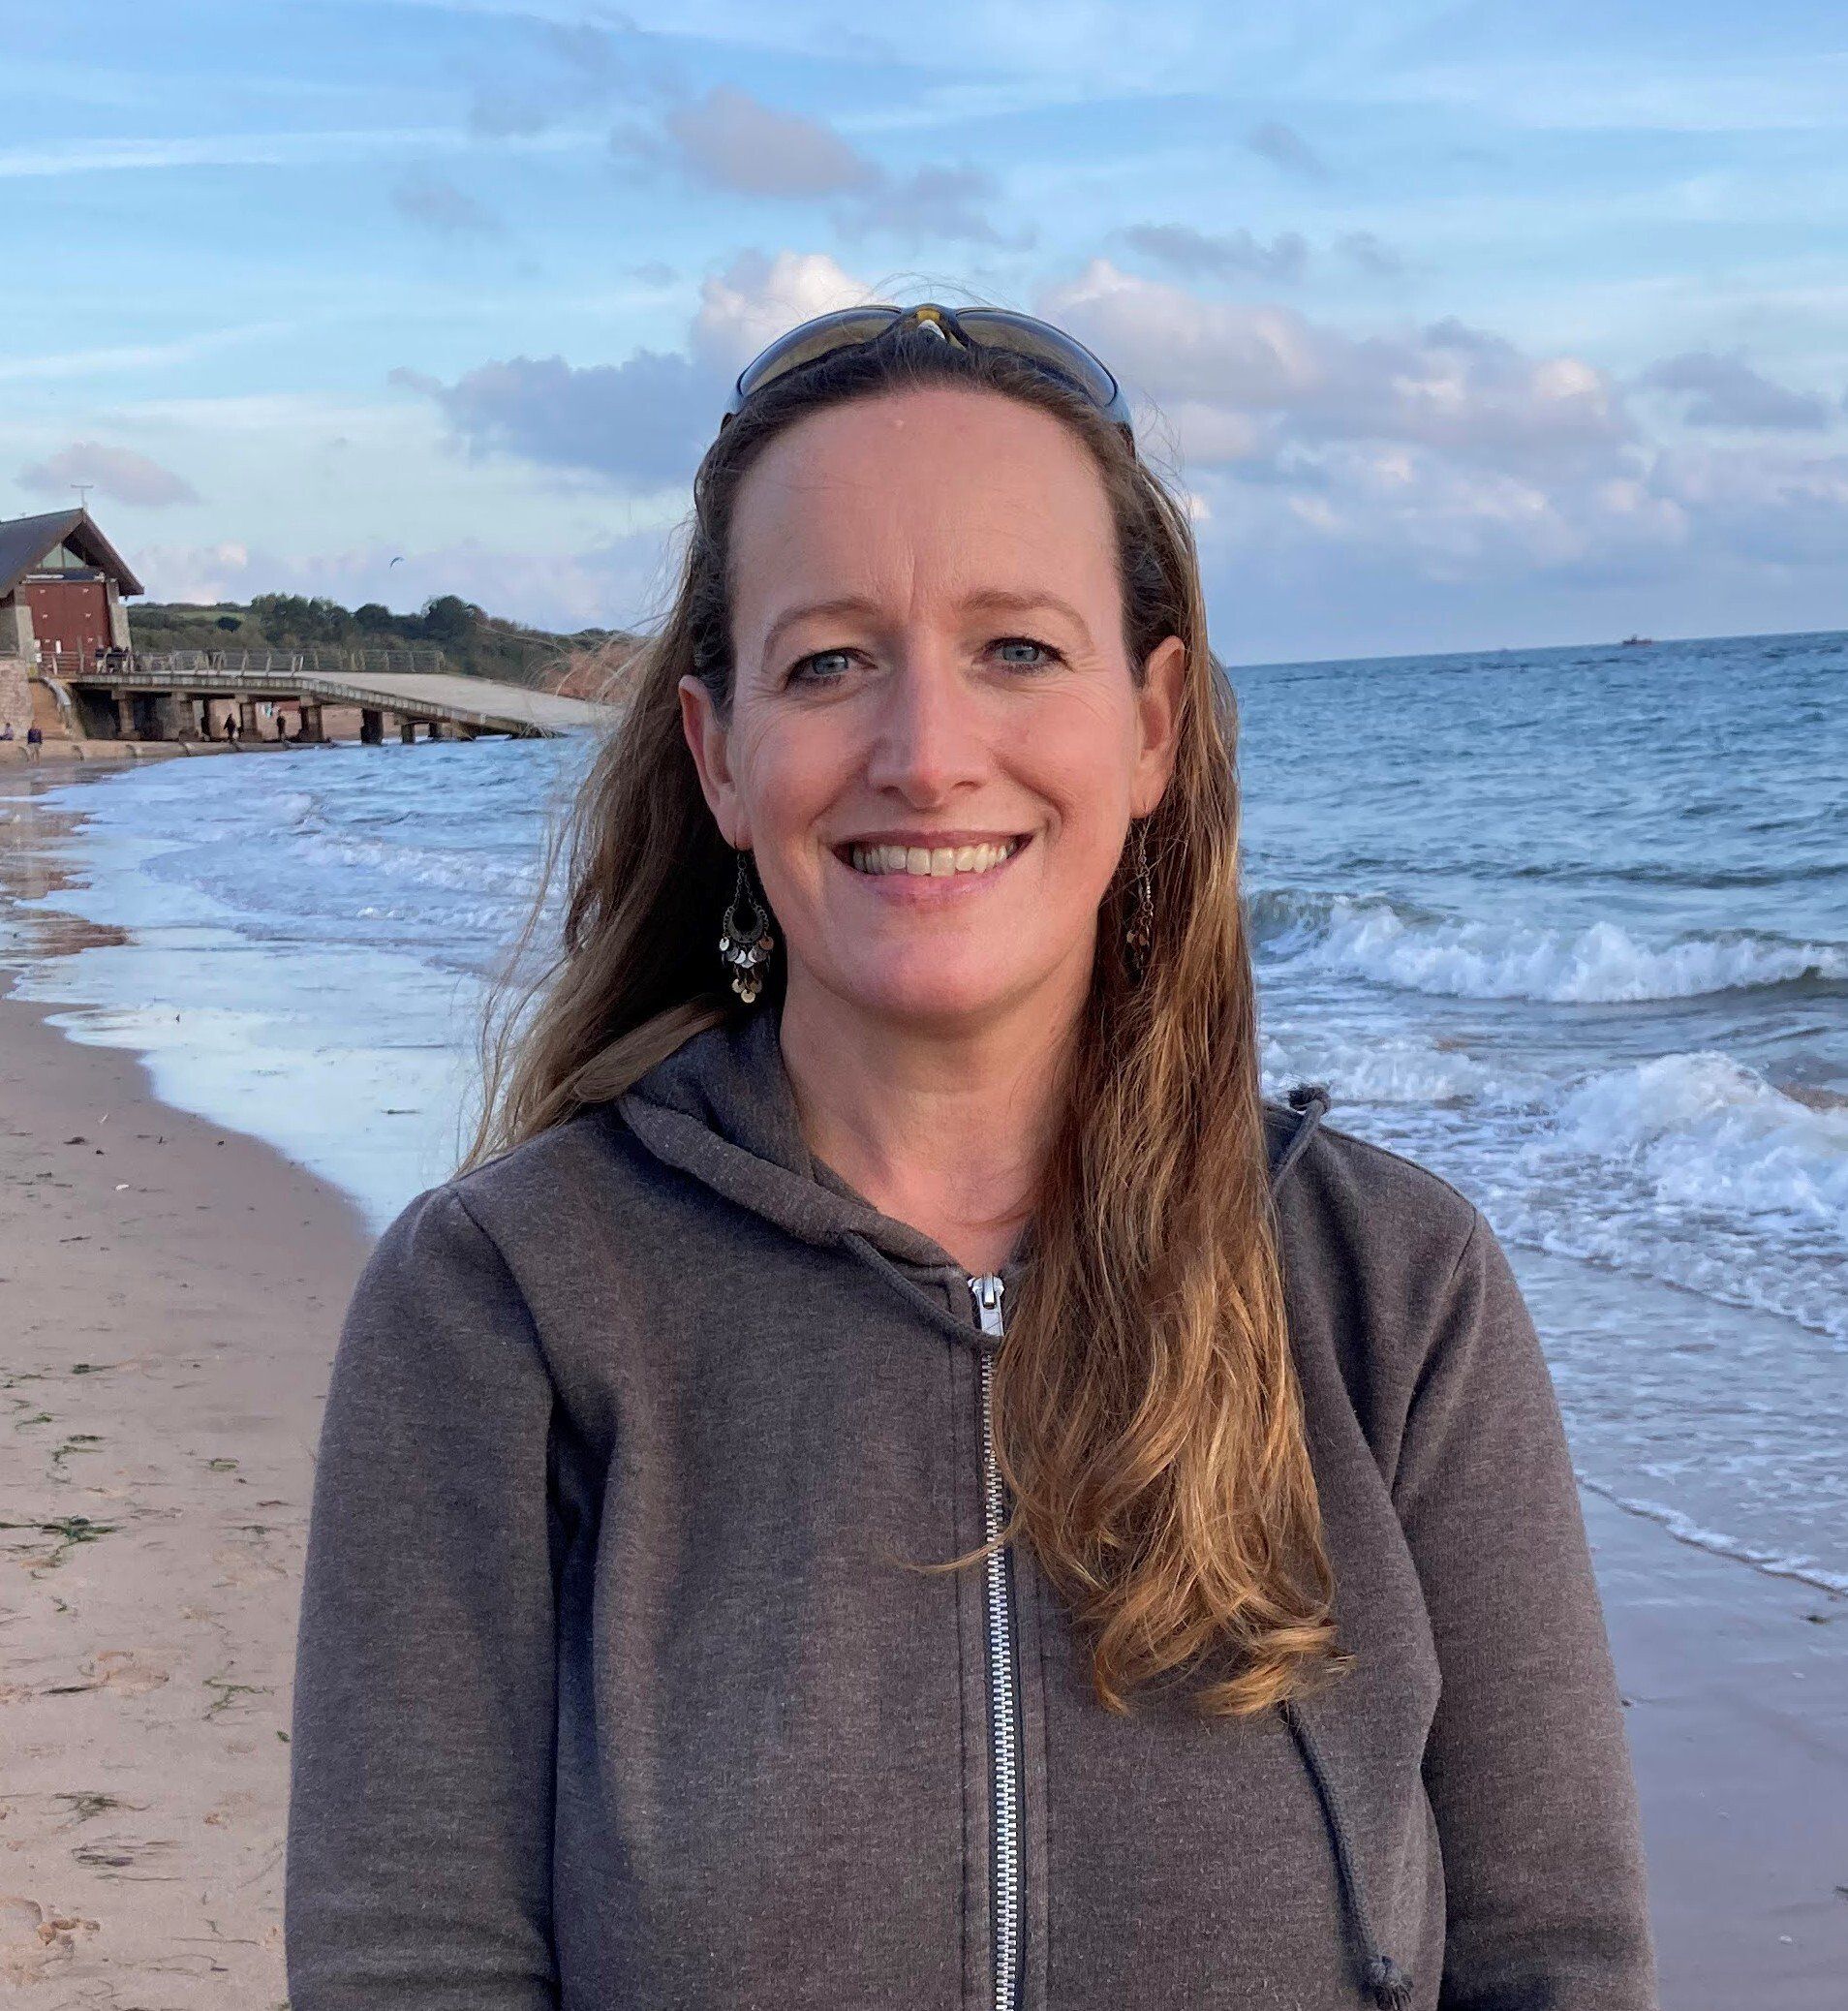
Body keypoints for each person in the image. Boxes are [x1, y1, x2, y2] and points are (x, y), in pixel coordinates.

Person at [285, 303, 1658, 2010]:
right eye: (831, 660)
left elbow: (1553, 1960)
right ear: (722, 756)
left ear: (1152, 724)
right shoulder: (504, 1306)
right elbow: (412, 1964)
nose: (927, 752)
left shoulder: (1399, 1294)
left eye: (1017, 646)